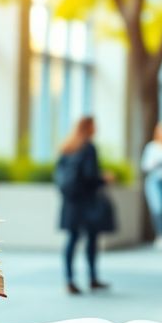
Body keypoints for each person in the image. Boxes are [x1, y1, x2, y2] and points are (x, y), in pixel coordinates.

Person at [55, 116, 114, 294]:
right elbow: (90, 176)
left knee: (72, 239)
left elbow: (59, 175)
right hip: (87, 201)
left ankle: (69, 279)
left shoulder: (67, 147)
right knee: (91, 239)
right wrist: (104, 178)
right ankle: (92, 278)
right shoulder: (89, 148)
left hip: (71, 201)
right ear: (88, 128)